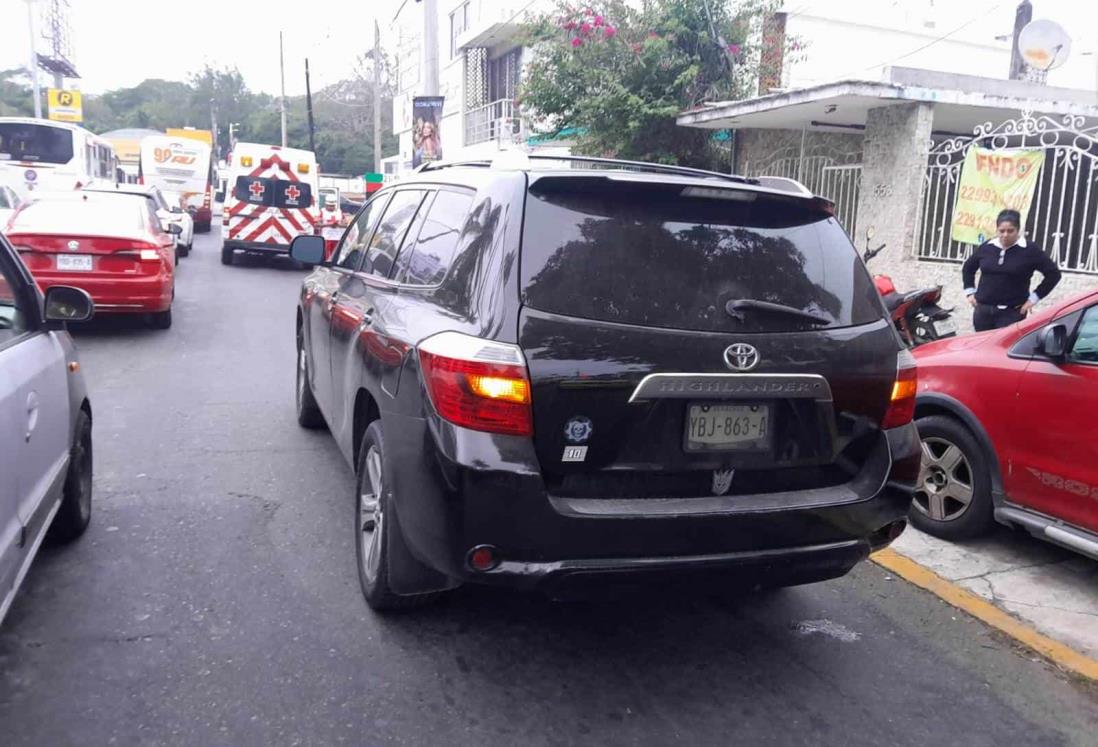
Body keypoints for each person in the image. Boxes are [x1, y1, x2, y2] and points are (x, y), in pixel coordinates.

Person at [962, 209, 1062, 332]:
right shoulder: (988, 247)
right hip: (983, 312)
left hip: (1012, 314)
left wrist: (1034, 299)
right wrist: (970, 291)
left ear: (1018, 230)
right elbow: (968, 267)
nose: (1005, 235)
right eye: (1001, 231)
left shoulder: (1029, 250)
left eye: (1010, 231)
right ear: (996, 229)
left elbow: (1053, 274)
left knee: (1003, 349)